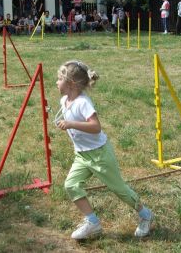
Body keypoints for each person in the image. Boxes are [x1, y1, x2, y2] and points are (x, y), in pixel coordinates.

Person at [55, 60, 154, 240]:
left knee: (120, 190)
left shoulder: (83, 102)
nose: (56, 82)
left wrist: (71, 124)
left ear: (70, 84)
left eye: (59, 79)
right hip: (82, 155)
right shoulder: (64, 100)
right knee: (71, 185)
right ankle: (92, 223)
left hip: (100, 154)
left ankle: (146, 215)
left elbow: (95, 127)